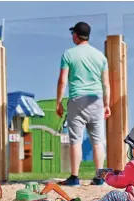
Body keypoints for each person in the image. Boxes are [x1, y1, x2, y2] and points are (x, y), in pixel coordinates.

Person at [56, 21, 111, 186]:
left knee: (76, 140)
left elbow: (62, 81)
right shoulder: (100, 56)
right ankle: (100, 177)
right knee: (98, 140)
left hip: (77, 99)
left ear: (75, 35)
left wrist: (58, 102)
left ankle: (74, 177)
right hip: (96, 100)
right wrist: (106, 104)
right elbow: (106, 84)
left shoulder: (68, 54)